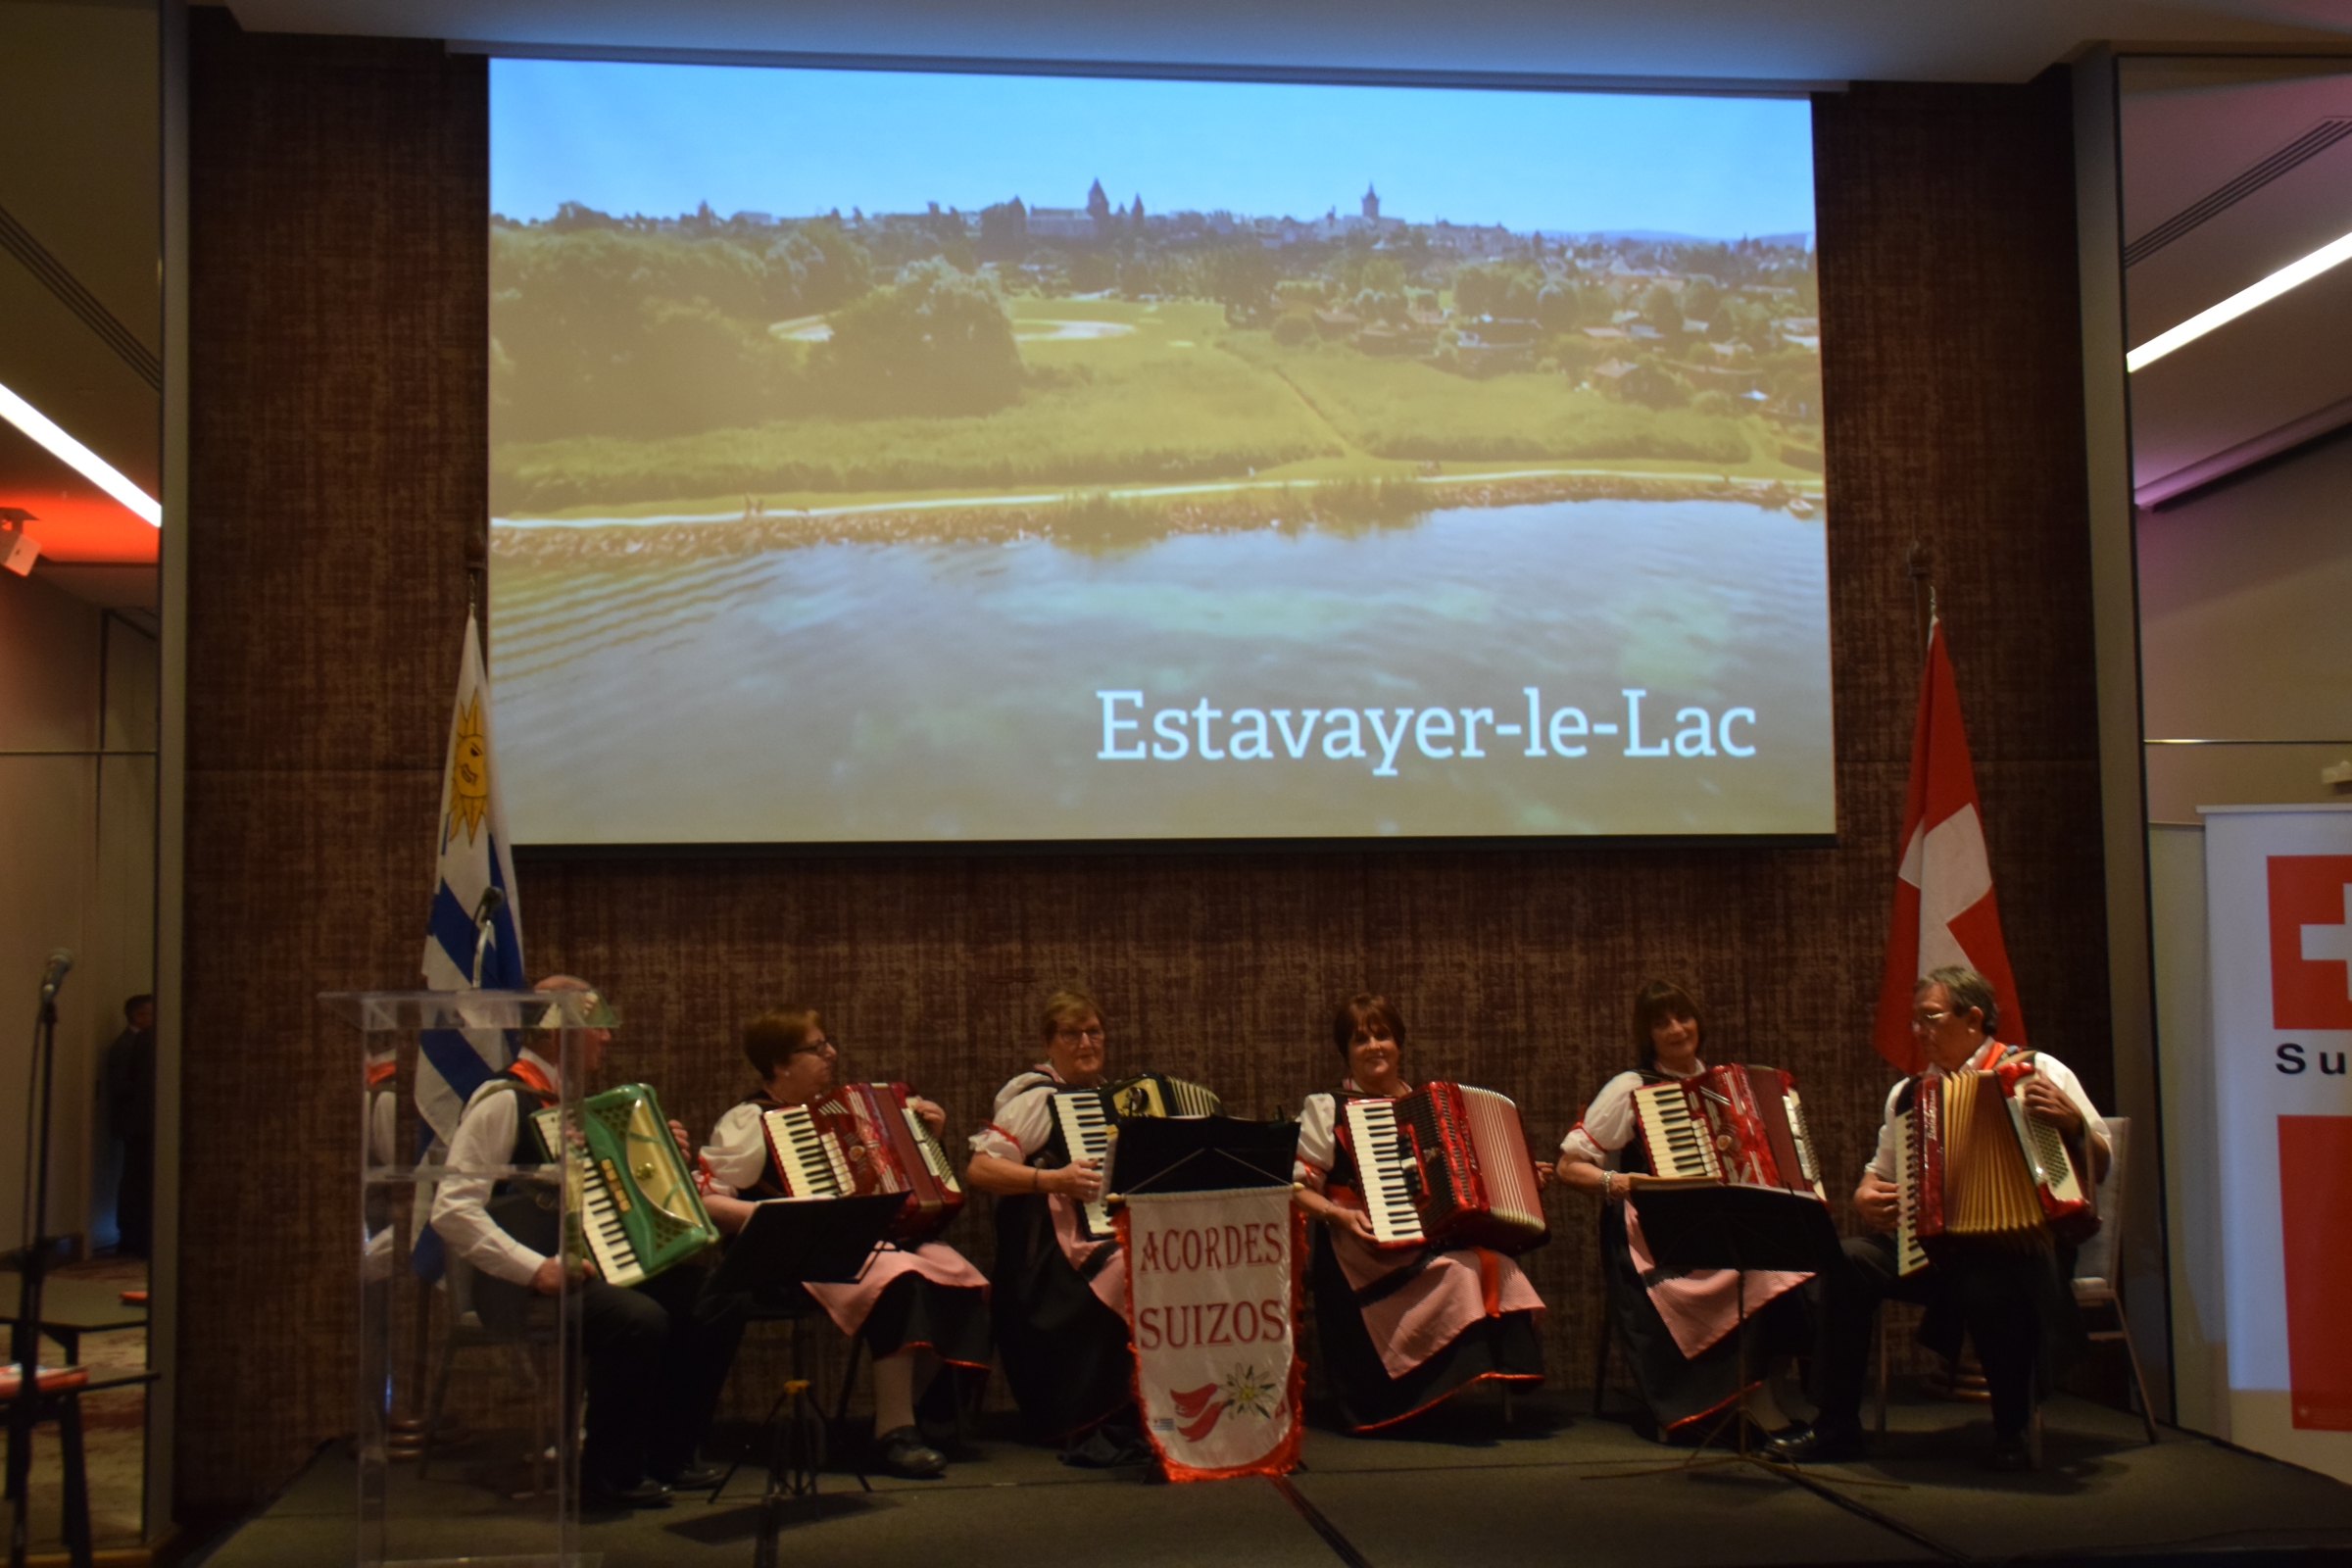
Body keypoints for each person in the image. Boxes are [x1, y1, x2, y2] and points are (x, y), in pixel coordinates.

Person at [1770, 964, 2110, 1472]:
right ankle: (1836, 1423)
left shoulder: (2039, 1071)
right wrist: (1866, 1195)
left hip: (2026, 1252)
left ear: (1972, 1019)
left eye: (1929, 1018)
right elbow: (1878, 1173)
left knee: (1986, 1283)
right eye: (1915, 1021)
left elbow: (2102, 1162)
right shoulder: (1910, 1096)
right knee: (1847, 1260)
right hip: (1935, 1247)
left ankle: (2012, 1429)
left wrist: (2074, 1124)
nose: (1918, 1031)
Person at [429, 975, 746, 1508]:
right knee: (636, 1319)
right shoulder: (503, 1101)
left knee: (716, 1299)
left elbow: (610, 1200)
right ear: (559, 1031)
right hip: (519, 1283)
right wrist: (535, 1268)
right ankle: (607, 1473)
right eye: (597, 1025)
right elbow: (452, 1208)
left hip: (590, 1268)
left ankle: (667, 1454)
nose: (607, 1037)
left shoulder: (577, 1104)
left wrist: (658, 1153)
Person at [699, 1006, 990, 1479]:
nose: (831, 1053)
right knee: (899, 1280)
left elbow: (903, 1183)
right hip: (787, 1260)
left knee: (959, 1274)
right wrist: (779, 1218)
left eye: (827, 1043)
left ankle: (920, 1412)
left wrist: (925, 1139)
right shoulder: (750, 1120)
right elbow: (707, 1201)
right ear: (780, 1064)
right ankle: (894, 1433)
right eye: (816, 1048)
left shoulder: (842, 1113)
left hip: (860, 1248)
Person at [1555, 979, 1816, 1443]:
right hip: (1655, 1228)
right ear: (1648, 1035)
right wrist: (1621, 1182)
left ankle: (1767, 1390)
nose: (1677, 1029)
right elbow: (1568, 1167)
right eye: (1662, 1023)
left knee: (1796, 1262)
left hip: (1724, 1219)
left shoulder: (1728, 1086)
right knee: (1757, 1272)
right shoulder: (1631, 1087)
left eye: (1684, 1017)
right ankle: (1747, 1402)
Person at [1293, 994, 1548, 1432]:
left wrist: (1522, 1175)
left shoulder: (1428, 1107)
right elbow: (1297, 1188)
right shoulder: (1328, 1106)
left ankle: (1489, 1382)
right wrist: (1339, 1216)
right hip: (1364, 1248)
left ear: (1399, 1043)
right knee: (1462, 1273)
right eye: (1360, 1039)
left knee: (1499, 1265)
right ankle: (1399, 1400)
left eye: (1382, 1036)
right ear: (1346, 1052)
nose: (1374, 1046)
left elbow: (1467, 1176)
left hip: (1429, 1239)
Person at [962, 986, 1146, 1464]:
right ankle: (1103, 1416)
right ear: (1049, 1043)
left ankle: (1153, 1411)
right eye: (1071, 1034)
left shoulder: (1117, 1097)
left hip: (1102, 1234)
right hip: (1048, 1255)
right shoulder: (1036, 1099)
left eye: (1094, 1032)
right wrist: (1052, 1179)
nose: (1086, 1043)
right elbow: (980, 1170)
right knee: (1129, 1269)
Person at [101, 995, 157, 1258]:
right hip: (137, 1123)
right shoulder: (126, 1045)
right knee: (136, 1181)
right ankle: (131, 1237)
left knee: (137, 1179)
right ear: (138, 1015)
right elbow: (121, 1085)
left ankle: (135, 1236)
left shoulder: (137, 1043)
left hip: (139, 1122)